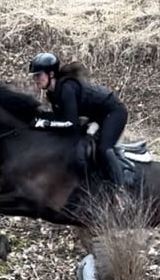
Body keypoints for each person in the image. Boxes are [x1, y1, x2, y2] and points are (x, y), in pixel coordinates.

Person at [28, 52, 129, 187]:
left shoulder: (66, 89)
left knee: (104, 148)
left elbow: (70, 124)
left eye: (38, 75)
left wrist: (45, 123)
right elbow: (61, 120)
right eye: (35, 76)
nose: (36, 79)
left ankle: (120, 190)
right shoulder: (52, 93)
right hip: (97, 115)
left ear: (51, 74)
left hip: (113, 112)